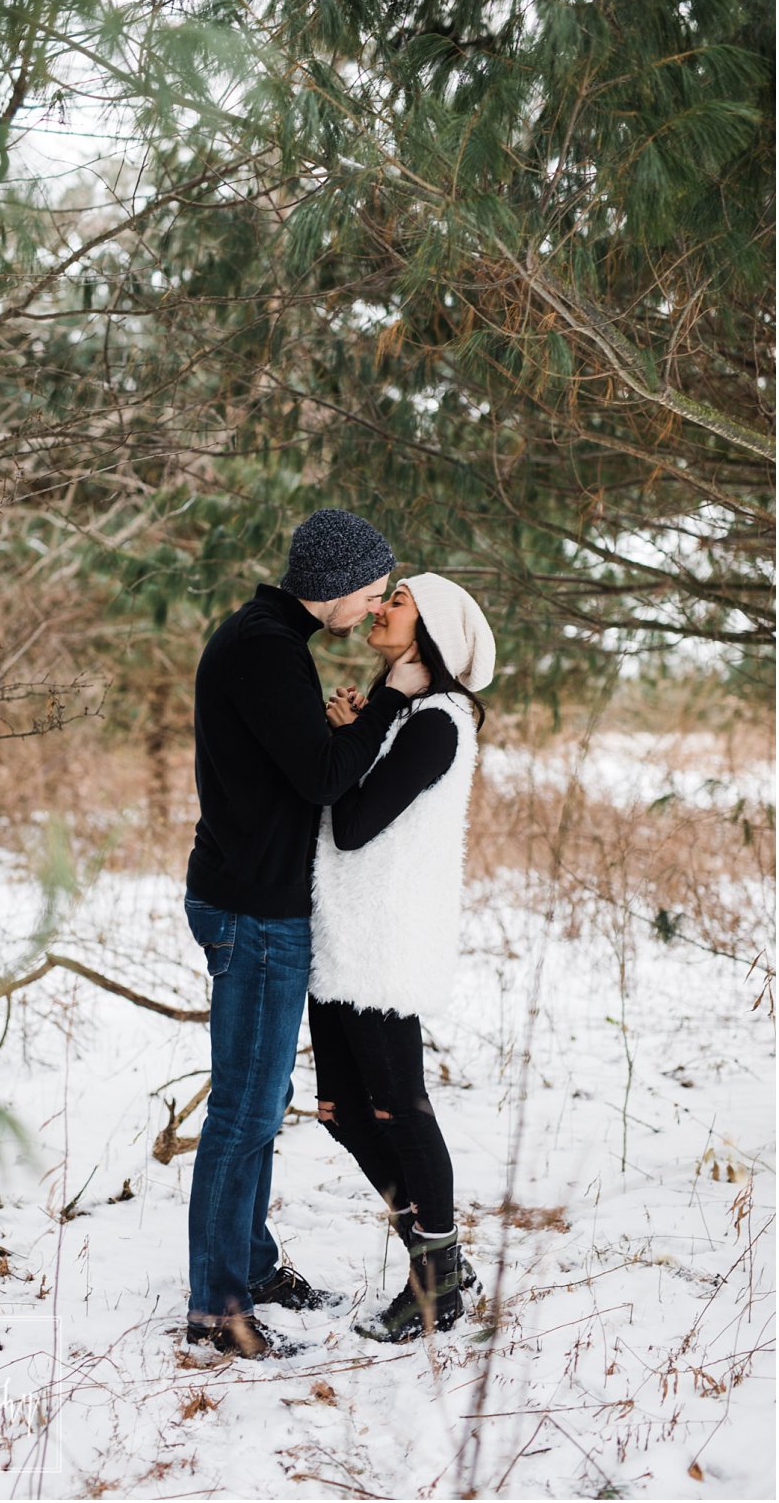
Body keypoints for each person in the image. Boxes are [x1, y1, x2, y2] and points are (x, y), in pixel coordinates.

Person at [180, 507, 431, 1361]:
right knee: (243, 1110)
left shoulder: (271, 644)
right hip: (253, 909)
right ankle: (217, 1305)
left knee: (255, 1106)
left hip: (256, 897)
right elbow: (325, 781)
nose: (370, 609)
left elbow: (294, 763)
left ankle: (248, 1264)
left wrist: (338, 725)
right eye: (366, 592)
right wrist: (389, 702)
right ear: (326, 585)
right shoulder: (264, 648)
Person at [311, 572, 496, 1342]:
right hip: (342, 936)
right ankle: (438, 1246)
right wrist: (349, 736)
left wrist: (336, 759)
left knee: (399, 1106)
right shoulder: (402, 715)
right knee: (341, 1110)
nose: (380, 608)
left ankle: (437, 1277)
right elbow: (355, 802)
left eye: (399, 601)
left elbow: (351, 826)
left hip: (383, 941)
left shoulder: (438, 722)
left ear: (436, 630)